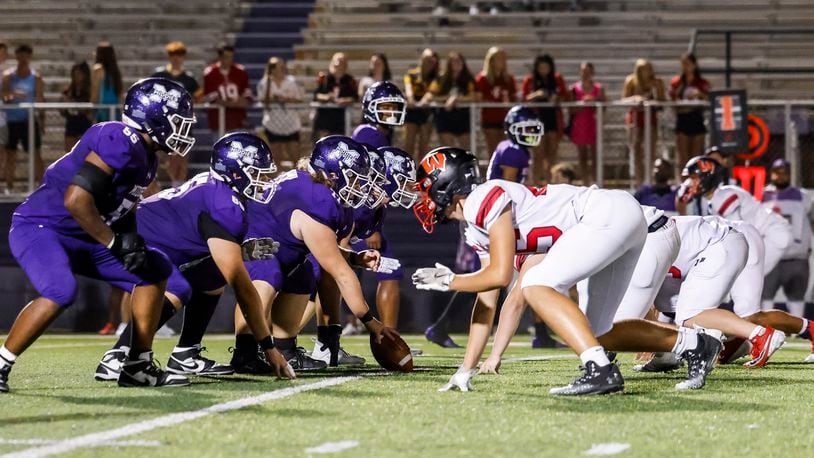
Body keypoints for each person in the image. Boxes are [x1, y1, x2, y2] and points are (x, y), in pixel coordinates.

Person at [0, 77, 198, 393]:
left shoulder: (144, 154)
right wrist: (113, 241)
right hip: (43, 226)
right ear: (153, 116)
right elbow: (76, 199)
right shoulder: (119, 137)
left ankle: (136, 365)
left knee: (160, 273)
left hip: (86, 234)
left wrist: (131, 240)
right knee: (61, 291)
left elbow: (125, 204)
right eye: (178, 120)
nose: (183, 128)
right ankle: (1, 363)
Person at [411, 147, 646, 396]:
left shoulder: (480, 199)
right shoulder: (474, 227)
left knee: (534, 283)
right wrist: (465, 369)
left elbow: (501, 275)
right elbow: (487, 298)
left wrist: (450, 281)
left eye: (426, 189)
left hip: (604, 215)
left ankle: (601, 370)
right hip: (619, 216)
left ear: (445, 183)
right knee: (599, 332)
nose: (425, 199)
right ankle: (689, 343)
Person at [94, 132, 294, 381]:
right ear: (235, 171)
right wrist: (269, 346)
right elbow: (242, 287)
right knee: (178, 285)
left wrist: (240, 252)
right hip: (125, 245)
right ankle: (119, 355)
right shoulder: (224, 204)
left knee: (212, 275)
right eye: (257, 172)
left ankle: (185, 354)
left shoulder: (216, 188)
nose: (264, 180)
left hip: (142, 241)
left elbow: (190, 236)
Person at [229, 135, 398, 372]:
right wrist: (371, 323)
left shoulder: (324, 194)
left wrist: (354, 258)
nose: (361, 187)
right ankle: (244, 353)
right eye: (355, 179)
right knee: (268, 271)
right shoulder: (317, 197)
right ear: (333, 173)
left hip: (276, 245)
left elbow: (323, 245)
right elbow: (339, 272)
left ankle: (285, 348)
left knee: (304, 272)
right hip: (251, 245)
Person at [681, 156, 814, 361]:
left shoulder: (723, 196)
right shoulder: (714, 199)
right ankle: (741, 342)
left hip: (761, 238)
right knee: (746, 312)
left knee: (747, 313)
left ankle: (741, 341)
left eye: (694, 178)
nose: (690, 183)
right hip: (753, 239)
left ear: (708, 177)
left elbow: (731, 234)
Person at [761, 158, 813, 326]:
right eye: (777, 172)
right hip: (770, 257)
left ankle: (798, 330)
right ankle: (766, 330)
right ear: (771, 174)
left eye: (784, 172)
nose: (781, 176)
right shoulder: (761, 196)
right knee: (765, 295)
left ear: (790, 174)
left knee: (797, 296)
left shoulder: (803, 196)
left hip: (797, 255)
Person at [152, 41, 203, 187]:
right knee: (171, 156)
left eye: (179, 55)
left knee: (183, 156)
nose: (176, 59)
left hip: (184, 123)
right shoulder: (160, 75)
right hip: (166, 121)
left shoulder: (189, 78)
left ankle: (179, 185)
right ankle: (175, 184)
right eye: (173, 55)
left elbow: (198, 98)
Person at [1, 44, 45, 193]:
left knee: (35, 153)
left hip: (29, 121)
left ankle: (43, 185)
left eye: (26, 57)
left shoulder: (35, 77)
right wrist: (13, 94)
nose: (23, 60)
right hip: (12, 120)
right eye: (20, 56)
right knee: (10, 154)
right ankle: (9, 186)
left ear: (30, 57)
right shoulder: (8, 76)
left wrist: (42, 119)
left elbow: (40, 98)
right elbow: (4, 95)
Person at [521, 54, 568, 183]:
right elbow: (524, 98)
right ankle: (535, 184)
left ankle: (551, 183)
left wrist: (556, 98)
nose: (543, 70)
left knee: (552, 154)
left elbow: (565, 95)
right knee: (538, 155)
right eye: (541, 67)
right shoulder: (530, 81)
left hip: (552, 119)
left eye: (546, 67)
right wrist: (537, 95)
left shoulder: (557, 79)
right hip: (535, 120)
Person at [622, 59, 665, 185]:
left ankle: (650, 179)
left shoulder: (657, 82)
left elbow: (662, 101)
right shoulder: (631, 81)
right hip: (635, 118)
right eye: (643, 69)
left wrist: (656, 91)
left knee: (651, 149)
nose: (646, 72)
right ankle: (639, 180)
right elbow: (624, 99)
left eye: (648, 68)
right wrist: (635, 98)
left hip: (650, 118)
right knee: (636, 148)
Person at [257, 57, 303, 168]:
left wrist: (286, 99)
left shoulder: (291, 81)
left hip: (291, 124)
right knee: (276, 159)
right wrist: (274, 98)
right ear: (272, 69)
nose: (283, 68)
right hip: (273, 125)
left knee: (295, 158)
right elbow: (263, 100)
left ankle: (299, 183)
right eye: (280, 67)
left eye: (283, 66)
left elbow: (299, 98)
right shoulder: (264, 83)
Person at [429, 51, 477, 149]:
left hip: (463, 117)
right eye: (454, 62)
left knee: (465, 149)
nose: (457, 64)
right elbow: (431, 96)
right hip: (445, 116)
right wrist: (446, 98)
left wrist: (456, 98)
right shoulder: (440, 79)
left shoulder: (468, 79)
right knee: (448, 149)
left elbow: (473, 97)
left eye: (459, 61)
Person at [669, 53, 710, 167]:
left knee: (696, 155)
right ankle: (684, 181)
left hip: (696, 117)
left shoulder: (701, 83)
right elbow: (672, 100)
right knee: (683, 156)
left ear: (694, 65)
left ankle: (696, 182)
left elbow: (709, 98)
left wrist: (700, 94)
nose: (685, 67)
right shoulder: (676, 82)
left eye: (688, 64)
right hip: (682, 119)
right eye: (683, 64)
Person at [475, 47, 516, 155]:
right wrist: (493, 102)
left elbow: (514, 97)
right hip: (490, 118)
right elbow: (478, 98)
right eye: (498, 58)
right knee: (493, 150)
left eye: (503, 58)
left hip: (506, 118)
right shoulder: (483, 78)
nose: (501, 61)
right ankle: (493, 171)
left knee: (506, 150)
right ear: (491, 61)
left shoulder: (508, 79)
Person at [569, 62, 605, 184]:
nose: (585, 74)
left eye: (588, 71)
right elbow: (571, 109)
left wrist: (593, 101)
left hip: (593, 123)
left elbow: (603, 107)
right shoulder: (574, 88)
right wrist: (582, 104)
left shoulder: (598, 88)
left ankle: (596, 181)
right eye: (583, 71)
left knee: (595, 155)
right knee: (582, 155)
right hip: (579, 124)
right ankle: (585, 181)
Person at [204, 44, 252, 133]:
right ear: (220, 57)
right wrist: (233, 103)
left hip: (238, 119)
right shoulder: (210, 73)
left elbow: (247, 94)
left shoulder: (240, 71)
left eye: (231, 57)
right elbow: (212, 98)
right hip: (218, 120)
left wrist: (242, 101)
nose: (229, 60)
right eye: (226, 57)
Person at [403, 48, 438, 160]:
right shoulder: (411, 74)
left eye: (432, 61)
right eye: (427, 60)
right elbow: (408, 88)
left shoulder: (436, 78)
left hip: (426, 111)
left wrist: (423, 102)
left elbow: (431, 93)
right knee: (409, 143)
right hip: (412, 110)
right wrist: (411, 99)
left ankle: (420, 173)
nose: (429, 64)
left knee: (424, 146)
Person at [312, 52, 357, 138]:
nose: (338, 64)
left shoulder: (350, 80)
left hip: (340, 120)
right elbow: (316, 95)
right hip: (324, 119)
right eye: (337, 61)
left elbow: (355, 97)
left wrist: (345, 100)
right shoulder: (324, 78)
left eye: (342, 61)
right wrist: (326, 97)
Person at [352, 81, 406, 148]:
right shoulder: (368, 133)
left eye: (395, 107)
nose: (392, 112)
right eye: (386, 107)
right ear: (371, 107)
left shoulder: (384, 132)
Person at [60, 62, 93, 154]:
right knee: (69, 152)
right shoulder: (68, 90)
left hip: (84, 123)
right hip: (71, 123)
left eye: (79, 74)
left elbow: (89, 108)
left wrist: (74, 104)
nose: (77, 77)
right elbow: (62, 110)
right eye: (75, 74)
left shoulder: (90, 90)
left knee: (84, 152)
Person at [90, 42, 123, 123]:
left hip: (102, 109)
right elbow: (120, 93)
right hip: (115, 109)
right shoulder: (115, 71)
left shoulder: (98, 69)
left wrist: (92, 107)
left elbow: (95, 90)